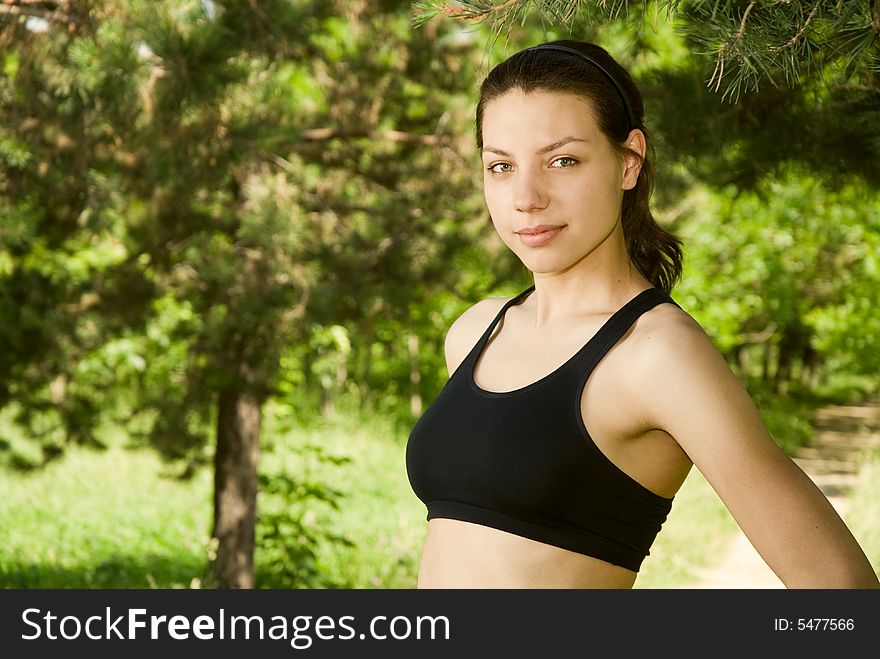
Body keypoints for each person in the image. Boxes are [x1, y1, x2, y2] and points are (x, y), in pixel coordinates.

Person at [405, 40, 880, 589]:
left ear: (628, 160)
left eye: (563, 160)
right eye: (501, 166)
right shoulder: (474, 332)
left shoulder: (657, 354)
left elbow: (841, 586)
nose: (526, 197)